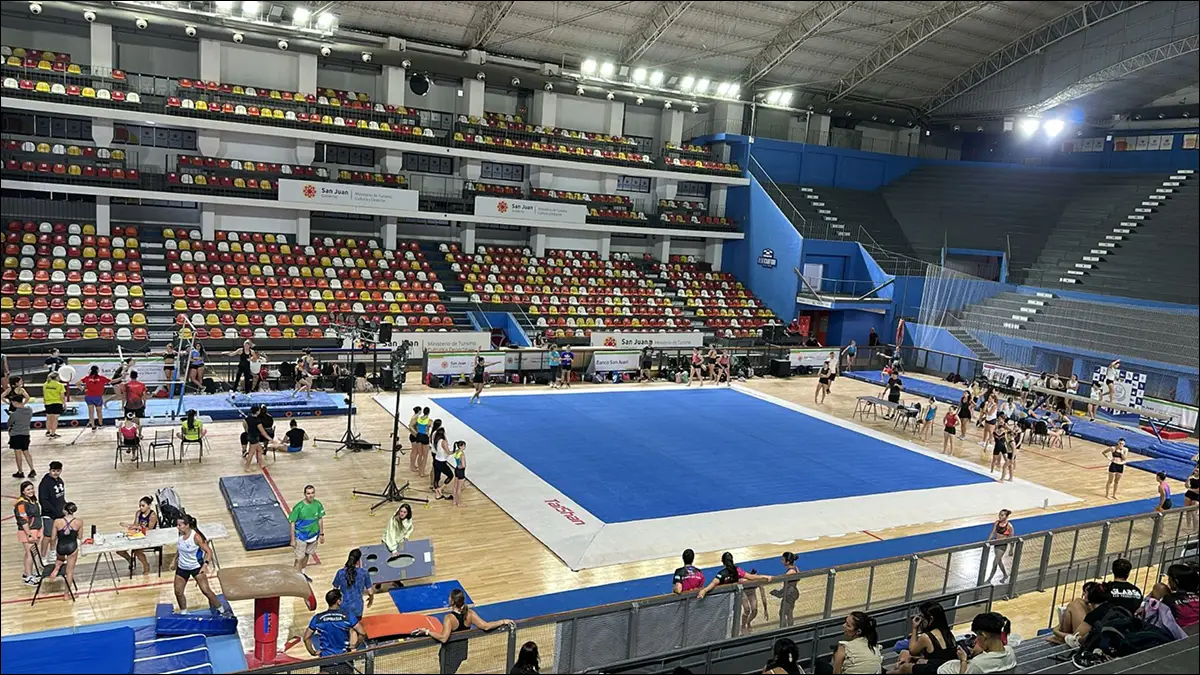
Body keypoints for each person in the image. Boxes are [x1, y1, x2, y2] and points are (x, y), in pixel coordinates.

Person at [414, 588, 515, 675]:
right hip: (462, 650)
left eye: (450, 597)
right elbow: (486, 626)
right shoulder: (470, 614)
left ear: (453, 601)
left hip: (449, 653)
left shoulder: (449, 618)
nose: (448, 598)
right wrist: (503, 621)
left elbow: (443, 638)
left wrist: (427, 631)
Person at [697, 552, 771, 633]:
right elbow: (751, 577)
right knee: (736, 613)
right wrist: (764, 576)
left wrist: (704, 590)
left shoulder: (723, 573)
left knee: (731, 615)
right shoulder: (737, 570)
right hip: (733, 596)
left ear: (722, 562)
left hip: (729, 596)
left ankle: (737, 628)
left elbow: (713, 583)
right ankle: (735, 630)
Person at [304, 589, 368, 671]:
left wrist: (312, 652)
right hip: (345, 658)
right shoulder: (348, 616)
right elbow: (362, 633)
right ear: (338, 601)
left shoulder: (317, 618)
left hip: (326, 660)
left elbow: (306, 638)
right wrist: (355, 645)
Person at [890, 601, 957, 674]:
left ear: (930, 619)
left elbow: (912, 651)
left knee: (904, 666)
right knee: (904, 654)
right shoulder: (948, 633)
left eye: (922, 617)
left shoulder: (926, 637)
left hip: (934, 669)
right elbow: (940, 657)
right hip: (943, 666)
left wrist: (914, 628)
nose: (920, 620)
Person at [938, 612, 1015, 674]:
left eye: (977, 636)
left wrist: (963, 660)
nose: (976, 640)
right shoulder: (1010, 651)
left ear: (983, 635)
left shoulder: (978, 664)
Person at [173, 514, 222, 612]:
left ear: (187, 525)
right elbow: (180, 548)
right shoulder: (180, 534)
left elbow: (209, 552)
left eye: (179, 525)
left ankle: (221, 609)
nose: (177, 527)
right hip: (182, 567)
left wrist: (205, 565)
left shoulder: (196, 537)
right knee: (178, 592)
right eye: (177, 525)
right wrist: (174, 560)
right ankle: (184, 612)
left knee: (206, 591)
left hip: (196, 567)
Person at [44, 502, 82, 597]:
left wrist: (53, 549)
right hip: (72, 547)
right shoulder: (79, 522)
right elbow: (80, 537)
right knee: (69, 572)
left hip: (61, 546)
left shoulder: (57, 521)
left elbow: (52, 537)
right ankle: (66, 595)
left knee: (60, 558)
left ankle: (57, 567)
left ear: (64, 510)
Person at [289, 484, 325, 580]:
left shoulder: (318, 504)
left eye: (312, 493)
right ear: (304, 494)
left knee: (307, 554)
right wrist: (293, 539)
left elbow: (320, 519)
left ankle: (303, 573)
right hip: (301, 536)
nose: (311, 495)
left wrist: (321, 534)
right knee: (299, 557)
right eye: (308, 493)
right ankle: (295, 577)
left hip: (313, 536)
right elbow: (292, 523)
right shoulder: (298, 507)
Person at [115, 496, 158, 575]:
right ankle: (130, 559)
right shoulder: (138, 513)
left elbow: (150, 529)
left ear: (148, 505)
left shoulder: (153, 515)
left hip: (148, 537)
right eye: (140, 506)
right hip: (138, 535)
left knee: (138, 552)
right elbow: (135, 525)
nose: (141, 508)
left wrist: (135, 527)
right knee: (119, 549)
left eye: (143, 506)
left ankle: (146, 565)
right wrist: (128, 526)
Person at [13, 481, 43, 586]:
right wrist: (29, 534)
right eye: (28, 490)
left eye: (32, 488)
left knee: (30, 553)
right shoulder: (21, 504)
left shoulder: (32, 500)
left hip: (35, 529)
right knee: (30, 554)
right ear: (23, 491)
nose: (31, 491)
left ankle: (27, 573)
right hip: (27, 531)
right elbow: (23, 520)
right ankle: (28, 578)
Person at [332, 548, 375, 622]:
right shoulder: (364, 573)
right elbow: (370, 592)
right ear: (359, 560)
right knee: (355, 628)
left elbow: (334, 590)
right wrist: (371, 600)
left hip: (343, 607)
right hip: (357, 607)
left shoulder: (340, 572)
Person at [38, 461, 66, 561]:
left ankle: (52, 553)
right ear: (50, 470)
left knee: (56, 535)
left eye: (58, 471)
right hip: (49, 515)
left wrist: (64, 508)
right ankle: (43, 556)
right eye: (53, 471)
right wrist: (54, 512)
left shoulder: (60, 481)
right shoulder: (45, 483)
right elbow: (43, 500)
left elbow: (61, 497)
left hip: (59, 514)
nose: (55, 473)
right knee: (48, 536)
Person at [8, 389, 35, 478]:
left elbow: (9, 423)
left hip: (16, 435)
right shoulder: (29, 410)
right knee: (26, 452)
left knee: (18, 454)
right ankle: (32, 469)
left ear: (15, 403)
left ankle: (20, 471)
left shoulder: (14, 414)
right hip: (26, 434)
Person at [771, 551, 800, 627]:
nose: (781, 561)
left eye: (782, 559)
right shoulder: (796, 568)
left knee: (782, 613)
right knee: (789, 612)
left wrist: (779, 593)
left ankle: (783, 629)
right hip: (793, 592)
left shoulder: (789, 572)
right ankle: (790, 628)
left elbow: (786, 586)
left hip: (789, 593)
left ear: (787, 562)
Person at [985, 510, 1014, 585]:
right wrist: (988, 541)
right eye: (999, 515)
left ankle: (989, 579)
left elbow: (1011, 538)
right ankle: (1005, 575)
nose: (1000, 517)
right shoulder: (997, 523)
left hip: (1002, 546)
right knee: (999, 561)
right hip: (996, 544)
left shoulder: (1009, 526)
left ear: (1006, 516)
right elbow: (993, 532)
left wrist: (1011, 549)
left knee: (995, 562)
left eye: (1002, 515)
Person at [80, 365, 110, 430]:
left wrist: (83, 389)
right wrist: (121, 378)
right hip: (98, 397)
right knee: (99, 412)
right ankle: (100, 424)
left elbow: (77, 383)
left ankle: (93, 426)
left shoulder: (87, 378)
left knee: (91, 412)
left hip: (89, 397)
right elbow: (112, 381)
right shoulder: (101, 378)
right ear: (97, 370)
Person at [430, 420, 454, 498]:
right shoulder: (443, 442)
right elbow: (448, 452)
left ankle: (437, 492)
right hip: (441, 462)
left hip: (436, 460)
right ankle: (441, 488)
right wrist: (455, 450)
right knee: (450, 475)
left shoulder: (437, 441)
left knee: (437, 477)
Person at [41, 370, 66, 439]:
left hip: (48, 403)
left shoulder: (45, 384)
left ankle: (48, 431)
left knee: (48, 418)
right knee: (55, 419)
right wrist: (64, 404)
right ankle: (53, 434)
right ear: (57, 377)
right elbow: (62, 396)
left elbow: (44, 394)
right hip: (57, 403)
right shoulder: (60, 385)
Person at [412, 407, 433, 477]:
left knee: (420, 454)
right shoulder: (429, 421)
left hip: (418, 436)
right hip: (424, 437)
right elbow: (432, 429)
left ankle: (419, 470)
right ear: (429, 412)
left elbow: (412, 426)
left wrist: (416, 432)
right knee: (425, 456)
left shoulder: (418, 419)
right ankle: (422, 472)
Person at [448, 440, 468, 507]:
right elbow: (463, 465)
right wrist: (462, 466)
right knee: (459, 488)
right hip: (461, 471)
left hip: (456, 469)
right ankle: (459, 503)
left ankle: (454, 501)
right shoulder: (462, 454)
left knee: (455, 486)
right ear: (461, 446)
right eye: (464, 446)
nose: (465, 447)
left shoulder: (456, 452)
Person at [407, 406, 423, 472]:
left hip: (414, 436)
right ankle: (412, 466)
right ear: (419, 411)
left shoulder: (416, 417)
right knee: (414, 452)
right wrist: (416, 433)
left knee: (416, 452)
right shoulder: (415, 417)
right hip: (414, 436)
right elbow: (410, 426)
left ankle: (413, 464)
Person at [1185, 464, 1199, 532]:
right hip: (1189, 494)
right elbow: (1186, 486)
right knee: (1188, 511)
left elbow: (1198, 491)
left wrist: (1190, 489)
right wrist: (1187, 480)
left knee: (1194, 513)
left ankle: (1195, 528)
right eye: (1195, 470)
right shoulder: (1191, 476)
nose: (1196, 471)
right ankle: (1188, 526)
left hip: (1197, 496)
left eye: (1197, 470)